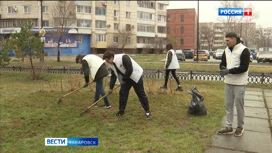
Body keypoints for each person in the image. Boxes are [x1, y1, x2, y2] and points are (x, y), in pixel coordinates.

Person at [217, 32, 250, 137]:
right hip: (228, 82)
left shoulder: (244, 50)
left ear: (234, 39)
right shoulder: (226, 50)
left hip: (239, 83)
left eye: (228, 40)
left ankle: (240, 127)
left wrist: (229, 71)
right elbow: (223, 63)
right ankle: (229, 127)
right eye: (225, 40)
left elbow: (244, 67)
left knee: (239, 106)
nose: (226, 42)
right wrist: (222, 68)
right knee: (228, 105)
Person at [102, 51, 151, 118]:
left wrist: (124, 79)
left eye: (107, 60)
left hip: (136, 76)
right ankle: (121, 111)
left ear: (111, 57)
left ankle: (147, 110)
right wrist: (111, 88)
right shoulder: (112, 65)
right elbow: (113, 76)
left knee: (140, 93)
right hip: (126, 79)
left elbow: (129, 69)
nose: (107, 62)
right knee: (122, 93)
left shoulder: (123, 57)